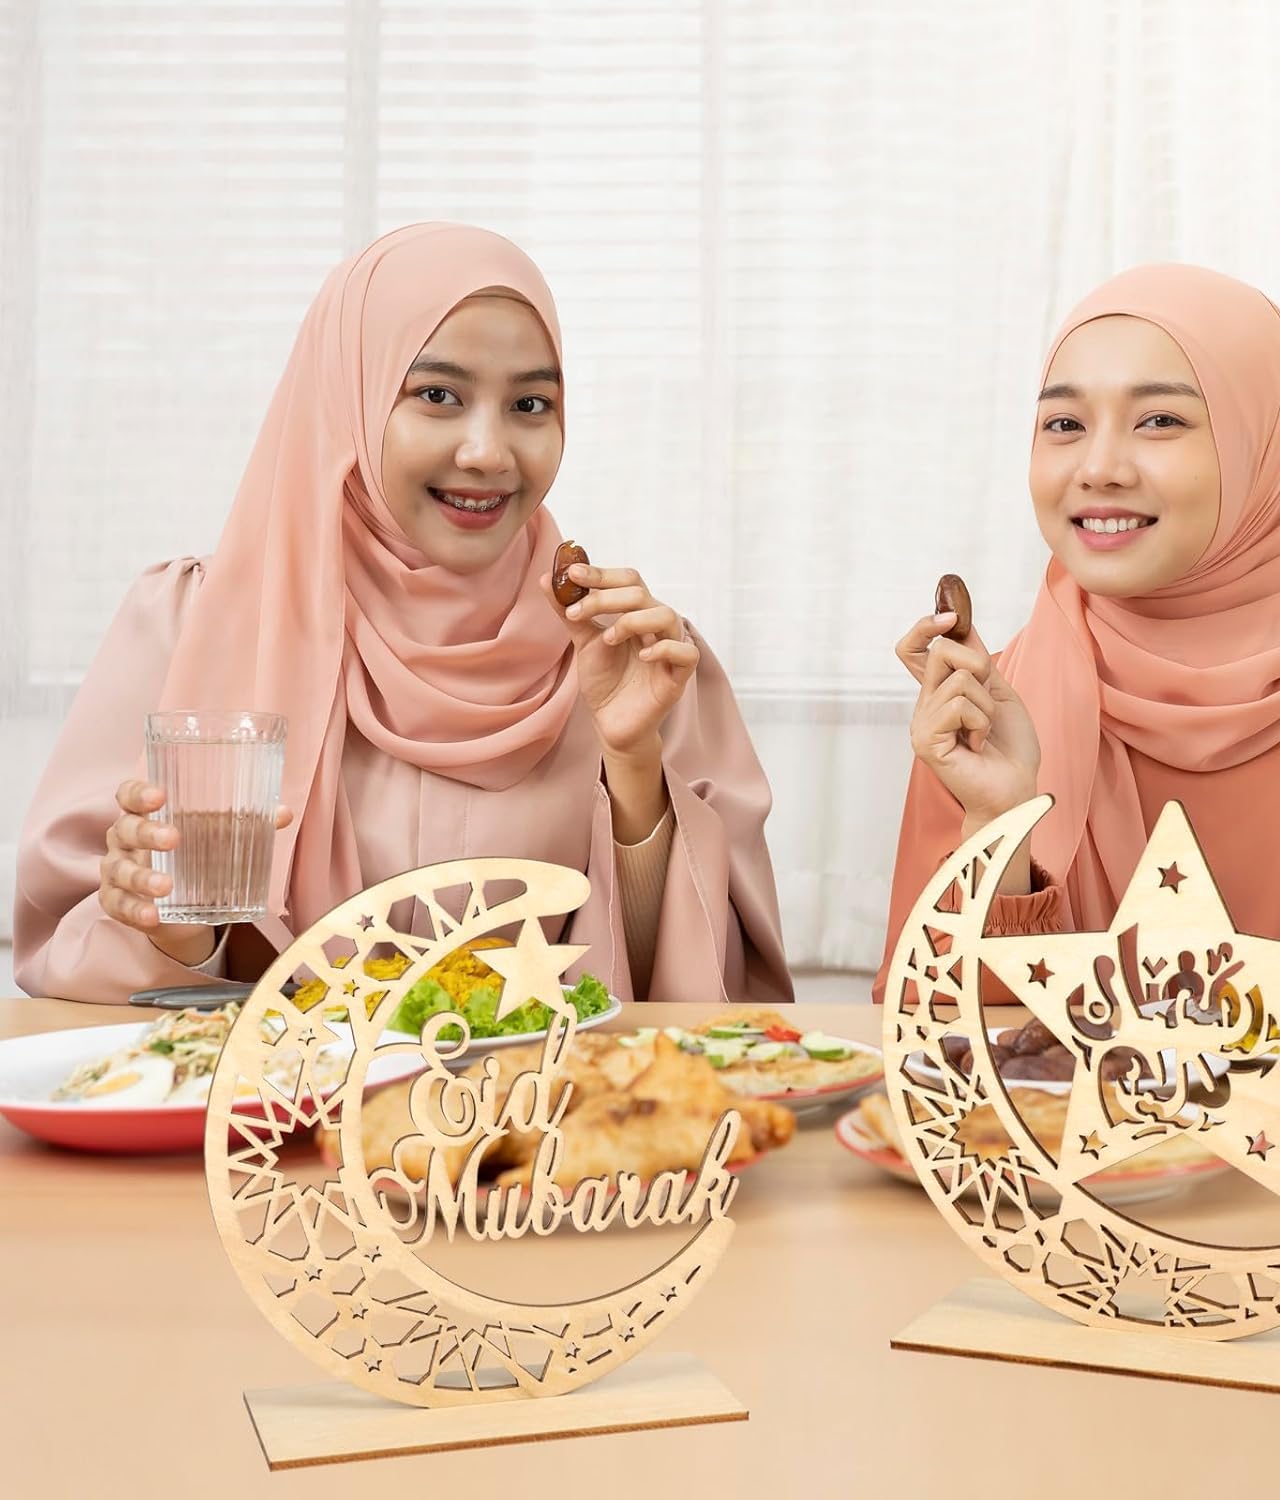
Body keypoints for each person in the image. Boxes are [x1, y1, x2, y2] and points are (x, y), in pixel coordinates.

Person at [16, 222, 792, 1007]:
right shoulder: (189, 624)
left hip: (540, 1087)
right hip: (274, 1089)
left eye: (530, 404)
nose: (489, 452)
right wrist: (169, 932)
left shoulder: (627, 657)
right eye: (437, 396)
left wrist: (633, 766)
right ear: (346, 399)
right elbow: (65, 956)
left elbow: (697, 1000)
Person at [878, 263, 1280, 999]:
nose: (1099, 468)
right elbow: (931, 1042)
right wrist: (998, 821)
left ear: (1261, 446)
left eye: (1160, 421)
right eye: (1065, 425)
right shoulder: (984, 708)